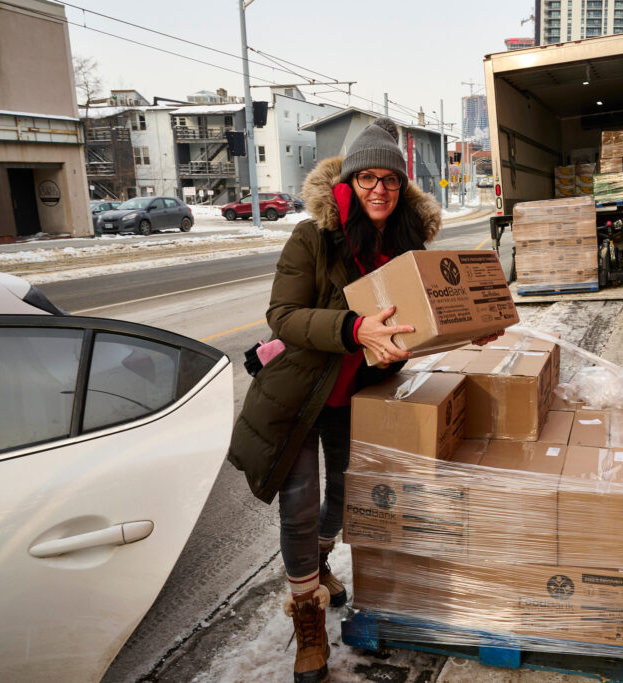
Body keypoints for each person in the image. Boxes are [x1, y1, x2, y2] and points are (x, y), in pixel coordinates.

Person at [227, 117, 500, 683]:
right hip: (300, 394)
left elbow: (415, 326)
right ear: (349, 182)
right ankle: (308, 621)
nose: (380, 188)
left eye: (391, 180)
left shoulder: (404, 249)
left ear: (403, 188)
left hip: (358, 394)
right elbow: (283, 316)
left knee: (348, 499)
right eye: (369, 177)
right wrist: (353, 329)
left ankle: (318, 565)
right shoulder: (312, 237)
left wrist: (462, 329)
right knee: (299, 506)